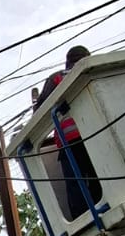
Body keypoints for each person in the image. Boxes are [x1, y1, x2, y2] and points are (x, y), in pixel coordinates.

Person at [37, 46, 103, 222]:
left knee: (76, 183)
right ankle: (101, 209)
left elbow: (39, 110)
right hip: (94, 135)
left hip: (69, 141)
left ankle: (83, 219)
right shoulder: (90, 71)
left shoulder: (57, 78)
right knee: (98, 176)